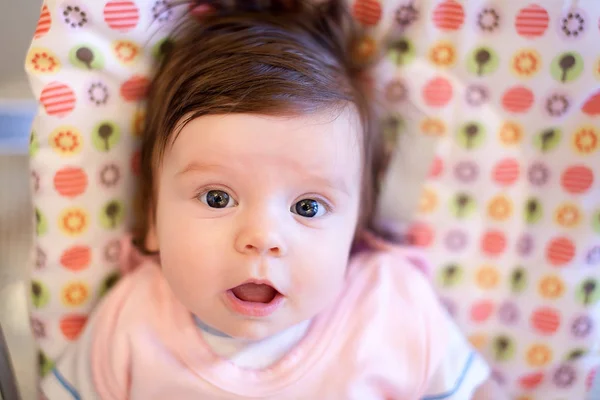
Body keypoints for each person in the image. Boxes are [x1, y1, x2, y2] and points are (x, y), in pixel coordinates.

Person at [41, 1, 499, 398]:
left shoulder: (390, 308)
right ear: (153, 221)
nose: (261, 237)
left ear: (355, 230)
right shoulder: (131, 322)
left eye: (308, 207)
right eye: (218, 197)